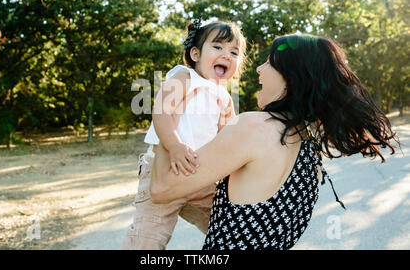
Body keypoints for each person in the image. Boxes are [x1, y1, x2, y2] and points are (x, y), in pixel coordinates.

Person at [150, 33, 398, 250]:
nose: (258, 68)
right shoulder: (310, 151)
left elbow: (161, 190)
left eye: (269, 62)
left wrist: (170, 115)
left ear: (291, 77)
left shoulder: (253, 128)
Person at [121, 19, 248, 249]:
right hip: (164, 171)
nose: (227, 55)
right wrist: (175, 145)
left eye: (234, 52)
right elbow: (161, 113)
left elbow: (225, 138)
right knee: (147, 240)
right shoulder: (185, 78)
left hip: (201, 177)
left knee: (228, 228)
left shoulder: (225, 98)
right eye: (218, 47)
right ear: (196, 54)